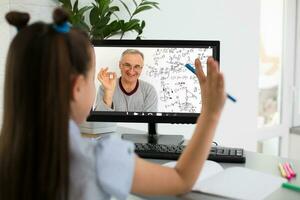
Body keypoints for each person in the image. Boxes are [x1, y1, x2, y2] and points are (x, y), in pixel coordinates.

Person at [0, 8, 225, 200]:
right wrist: (211, 112)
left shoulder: (8, 155)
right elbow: (181, 180)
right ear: (77, 87)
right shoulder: (100, 158)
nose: (131, 71)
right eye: (91, 76)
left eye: (137, 67)